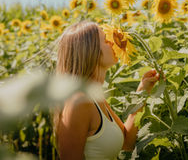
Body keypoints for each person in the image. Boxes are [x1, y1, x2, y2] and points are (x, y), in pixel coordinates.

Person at [54, 21, 159, 160]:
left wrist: (142, 91)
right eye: (106, 39)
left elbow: (126, 143)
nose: (113, 42)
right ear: (90, 50)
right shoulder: (78, 102)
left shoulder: (95, 96)